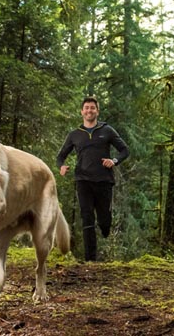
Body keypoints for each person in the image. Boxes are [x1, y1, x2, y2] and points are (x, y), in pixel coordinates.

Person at [56, 96, 129, 262]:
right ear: (82, 112)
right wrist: (61, 166)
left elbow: (124, 150)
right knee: (87, 216)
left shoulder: (107, 130)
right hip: (83, 180)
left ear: (97, 111)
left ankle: (105, 227)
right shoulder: (75, 135)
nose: (89, 110)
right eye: (86, 108)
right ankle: (90, 260)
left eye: (92, 108)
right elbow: (60, 157)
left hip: (104, 181)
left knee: (104, 220)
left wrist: (114, 161)